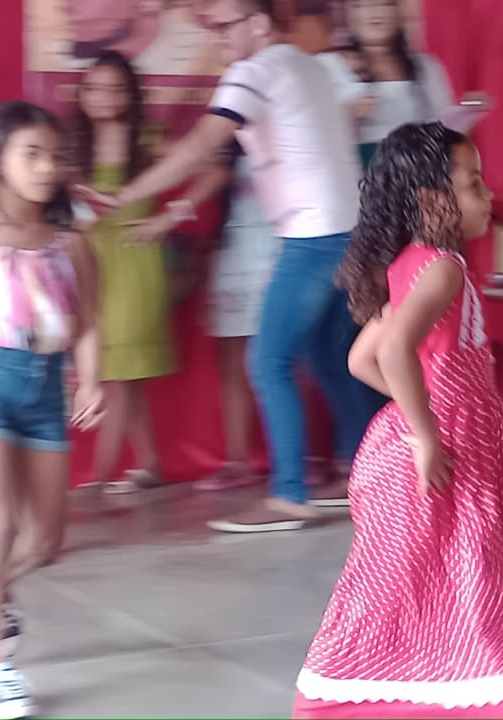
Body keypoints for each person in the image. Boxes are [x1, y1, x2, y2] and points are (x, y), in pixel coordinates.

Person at [292, 122, 503, 718]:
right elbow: (393, 352)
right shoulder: (443, 268)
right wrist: (428, 432)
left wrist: (423, 406)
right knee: (477, 579)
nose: (488, 195)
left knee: (417, 584)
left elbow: (361, 359)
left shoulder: (413, 263)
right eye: (473, 183)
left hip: (419, 446)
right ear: (432, 200)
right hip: (452, 452)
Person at [77, 0, 376, 531]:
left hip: (313, 237)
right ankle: (366, 472)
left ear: (258, 23)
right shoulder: (305, 63)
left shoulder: (252, 71)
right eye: (210, 25)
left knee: (268, 363)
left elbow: (203, 144)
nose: (215, 35)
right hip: (350, 232)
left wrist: (122, 196)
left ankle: (289, 494)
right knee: (330, 356)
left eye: (223, 25)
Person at [0, 101, 104, 720]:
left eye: (53, 156)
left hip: (45, 388)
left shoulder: (71, 243)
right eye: (30, 155)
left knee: (46, 540)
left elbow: (89, 320)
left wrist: (90, 378)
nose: (45, 168)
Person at [69, 50, 176, 494]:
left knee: (115, 376)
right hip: (89, 265)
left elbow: (212, 168)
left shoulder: (150, 140)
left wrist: (169, 217)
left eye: (115, 88)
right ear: (81, 94)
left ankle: (101, 476)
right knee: (122, 376)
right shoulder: (71, 147)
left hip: (134, 264)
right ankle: (150, 465)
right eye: (94, 88)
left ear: (132, 94)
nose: (104, 97)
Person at [194, 144, 281, 491]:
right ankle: (237, 461)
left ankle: (296, 459)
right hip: (232, 254)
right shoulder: (223, 151)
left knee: (275, 363)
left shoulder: (281, 141)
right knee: (231, 364)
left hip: (273, 255)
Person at [342, 0, 490, 168]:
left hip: (419, 174)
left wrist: (465, 113)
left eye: (384, 4)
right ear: (350, 13)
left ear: (399, 12)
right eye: (362, 5)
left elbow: (445, 128)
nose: (374, 13)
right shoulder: (332, 67)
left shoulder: (425, 66)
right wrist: (350, 114)